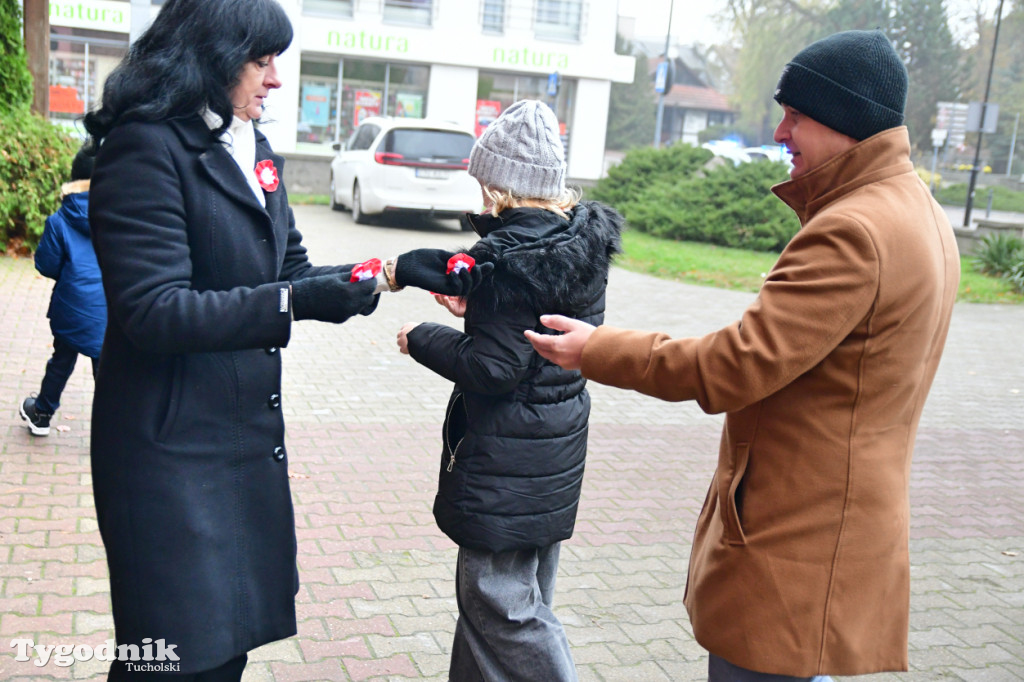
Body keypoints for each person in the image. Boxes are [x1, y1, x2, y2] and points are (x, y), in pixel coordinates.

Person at [526, 30, 960, 681]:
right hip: (835, 525)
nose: (780, 132)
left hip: (796, 539)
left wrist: (597, 349)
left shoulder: (852, 230)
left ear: (845, 119)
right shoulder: (915, 209)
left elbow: (732, 366)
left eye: (796, 115)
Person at [82, 1, 483, 679]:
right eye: (261, 60)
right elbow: (153, 311)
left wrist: (388, 271)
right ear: (209, 55)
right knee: (173, 659)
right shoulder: (144, 148)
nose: (275, 79)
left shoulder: (250, 145)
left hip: (235, 445)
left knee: (223, 650)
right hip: (167, 454)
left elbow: (291, 272)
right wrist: (293, 301)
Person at [396, 100, 623, 681]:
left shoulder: (506, 258)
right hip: (551, 452)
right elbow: (531, 331)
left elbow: (494, 368)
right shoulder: (574, 244)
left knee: (499, 605)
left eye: (483, 179)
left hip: (507, 460)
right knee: (516, 598)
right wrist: (478, 309)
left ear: (501, 186)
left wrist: (421, 337)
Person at [20, 145, 106, 437]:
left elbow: (46, 265)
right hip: (110, 311)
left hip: (71, 308)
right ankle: (115, 430)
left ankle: (41, 414)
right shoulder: (119, 217)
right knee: (106, 372)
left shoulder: (59, 221)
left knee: (61, 362)